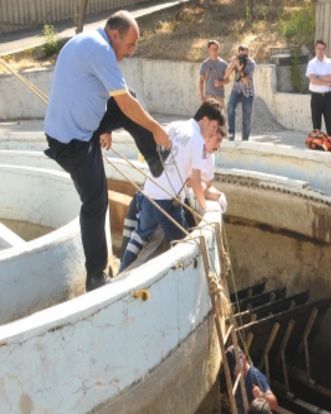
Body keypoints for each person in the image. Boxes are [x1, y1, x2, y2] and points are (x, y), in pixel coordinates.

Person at [43, 10, 171, 291]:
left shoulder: (90, 42)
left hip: (83, 127)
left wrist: (104, 126)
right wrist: (157, 129)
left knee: (131, 101)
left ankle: (152, 158)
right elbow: (124, 104)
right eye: (130, 45)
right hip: (72, 143)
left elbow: (90, 90)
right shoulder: (100, 49)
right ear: (115, 35)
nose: (130, 51)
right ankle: (96, 276)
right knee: (95, 203)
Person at [120, 99, 224, 271]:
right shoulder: (197, 140)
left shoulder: (174, 126)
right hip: (167, 202)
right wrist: (205, 209)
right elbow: (197, 182)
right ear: (205, 120)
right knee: (186, 248)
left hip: (148, 193)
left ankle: (121, 272)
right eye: (213, 127)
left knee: (140, 235)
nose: (213, 133)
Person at [226, 346, 278, 414]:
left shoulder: (255, 376)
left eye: (238, 368)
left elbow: (274, 404)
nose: (236, 372)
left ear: (244, 358)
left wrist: (261, 395)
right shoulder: (238, 380)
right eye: (235, 370)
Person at [306, 39, 331, 141]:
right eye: (318, 49)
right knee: (316, 125)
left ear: (325, 50)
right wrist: (326, 82)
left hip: (327, 97)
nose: (320, 51)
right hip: (316, 97)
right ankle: (317, 147)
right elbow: (312, 80)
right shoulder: (311, 63)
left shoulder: (329, 62)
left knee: (330, 123)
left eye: (322, 49)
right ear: (315, 49)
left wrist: (318, 76)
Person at [225, 45, 255, 141]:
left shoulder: (251, 63)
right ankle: (231, 134)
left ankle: (245, 139)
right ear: (238, 53)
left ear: (248, 54)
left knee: (246, 118)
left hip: (248, 92)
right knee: (230, 107)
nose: (243, 58)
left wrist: (241, 69)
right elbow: (225, 75)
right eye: (241, 55)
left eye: (245, 56)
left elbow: (246, 81)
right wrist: (233, 64)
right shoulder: (236, 60)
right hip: (237, 90)